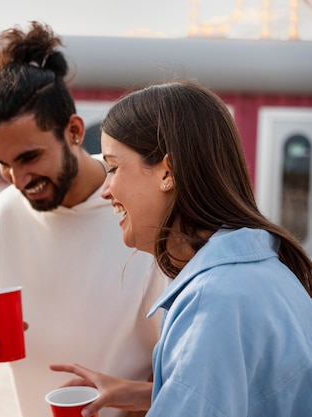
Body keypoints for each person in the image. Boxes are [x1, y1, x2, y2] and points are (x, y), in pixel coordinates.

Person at [51, 80, 312, 417]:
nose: (105, 190)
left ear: (167, 172)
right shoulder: (266, 270)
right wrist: (148, 393)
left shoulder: (213, 302)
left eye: (114, 167)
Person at [0, 21, 170, 417]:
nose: (19, 180)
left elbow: (188, 369)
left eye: (29, 158)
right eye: (3, 165)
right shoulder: (6, 212)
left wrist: (130, 398)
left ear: (75, 131)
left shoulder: (142, 210)